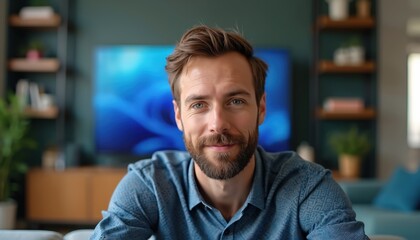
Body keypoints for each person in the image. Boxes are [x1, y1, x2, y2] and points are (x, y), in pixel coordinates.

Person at [91, 25, 368, 240]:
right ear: (178, 116)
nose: (218, 123)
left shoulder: (308, 187)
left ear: (261, 108)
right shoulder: (149, 184)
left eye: (235, 101)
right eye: (199, 104)